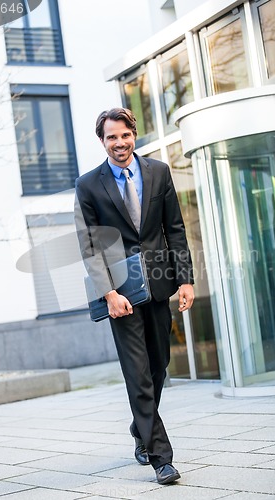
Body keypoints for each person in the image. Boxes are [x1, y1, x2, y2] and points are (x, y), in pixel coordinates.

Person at [75, 108, 194, 485]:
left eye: (125, 135)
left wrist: (186, 279)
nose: (120, 143)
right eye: (112, 137)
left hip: (159, 284)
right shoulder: (89, 185)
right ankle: (161, 457)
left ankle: (139, 426)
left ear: (134, 135)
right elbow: (91, 245)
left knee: (159, 365)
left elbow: (174, 228)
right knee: (138, 374)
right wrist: (108, 292)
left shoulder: (158, 172)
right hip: (120, 293)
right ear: (102, 141)